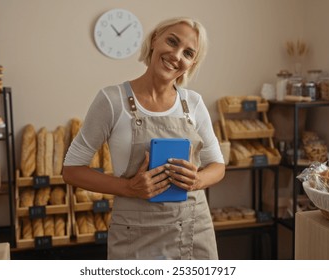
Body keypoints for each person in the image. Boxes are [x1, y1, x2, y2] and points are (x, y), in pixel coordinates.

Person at [63, 17, 225, 260]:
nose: (176, 55)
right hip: (133, 233)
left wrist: (197, 180)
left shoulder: (194, 103)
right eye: (172, 41)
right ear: (154, 40)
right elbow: (71, 170)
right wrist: (128, 187)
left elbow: (218, 166)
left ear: (191, 64)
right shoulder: (111, 100)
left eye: (188, 53)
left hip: (192, 229)